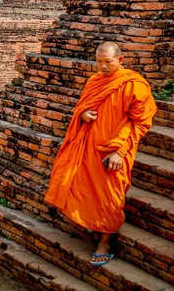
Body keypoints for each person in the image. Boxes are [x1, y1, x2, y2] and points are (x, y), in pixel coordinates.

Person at [44, 41, 157, 266]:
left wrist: (119, 151)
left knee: (110, 194)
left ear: (120, 60)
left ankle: (106, 241)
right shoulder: (94, 81)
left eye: (108, 62)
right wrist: (83, 115)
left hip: (115, 149)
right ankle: (93, 226)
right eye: (99, 62)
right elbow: (81, 108)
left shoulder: (134, 85)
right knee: (81, 186)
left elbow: (140, 123)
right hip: (89, 145)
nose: (103, 67)